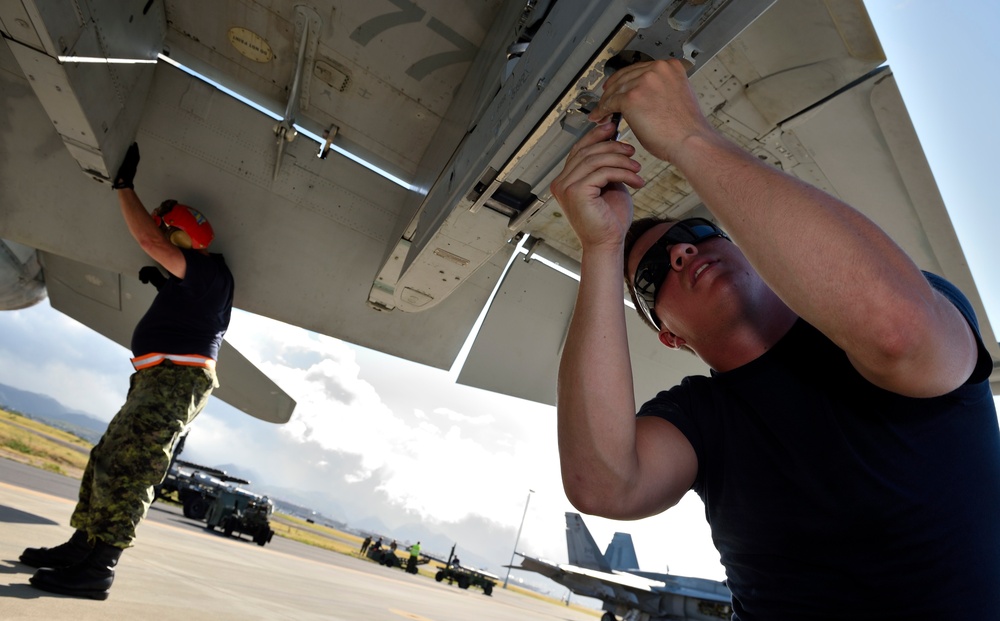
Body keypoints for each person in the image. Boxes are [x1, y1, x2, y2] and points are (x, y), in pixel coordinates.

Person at [550, 59, 1000, 620]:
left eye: (696, 233)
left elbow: (897, 332)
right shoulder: (699, 417)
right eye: (652, 276)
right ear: (670, 336)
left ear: (752, 252)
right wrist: (600, 248)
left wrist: (690, 137)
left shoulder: (913, 306)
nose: (683, 253)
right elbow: (604, 487)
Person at [20, 143, 235, 600]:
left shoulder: (210, 273)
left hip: (176, 381)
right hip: (158, 380)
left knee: (134, 469)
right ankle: (82, 547)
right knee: (107, 460)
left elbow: (149, 242)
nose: (156, 230)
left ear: (181, 238)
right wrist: (164, 285)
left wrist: (124, 187)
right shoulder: (195, 282)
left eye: (165, 227)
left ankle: (100, 568)